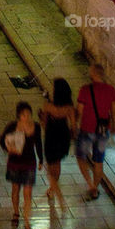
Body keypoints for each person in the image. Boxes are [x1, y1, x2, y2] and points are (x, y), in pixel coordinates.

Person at [0, 101, 43, 229]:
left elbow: (38, 143)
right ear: (19, 116)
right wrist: (9, 149)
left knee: (28, 193)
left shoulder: (36, 126)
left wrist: (41, 159)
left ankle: (27, 221)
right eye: (24, 115)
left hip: (29, 163)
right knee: (15, 189)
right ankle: (16, 212)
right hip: (15, 162)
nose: (27, 117)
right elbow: (2, 140)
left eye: (29, 114)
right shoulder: (12, 126)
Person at [76, 63, 115, 200]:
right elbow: (114, 111)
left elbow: (79, 111)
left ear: (93, 74)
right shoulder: (111, 90)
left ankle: (90, 185)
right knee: (98, 161)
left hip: (86, 129)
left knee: (81, 157)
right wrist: (114, 126)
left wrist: (75, 124)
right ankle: (95, 187)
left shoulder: (85, 90)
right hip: (103, 131)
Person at [40, 77, 78, 211]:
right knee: (57, 164)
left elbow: (44, 123)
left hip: (51, 137)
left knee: (50, 169)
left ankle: (59, 196)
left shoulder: (48, 106)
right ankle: (52, 189)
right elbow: (73, 127)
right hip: (63, 138)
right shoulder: (69, 108)